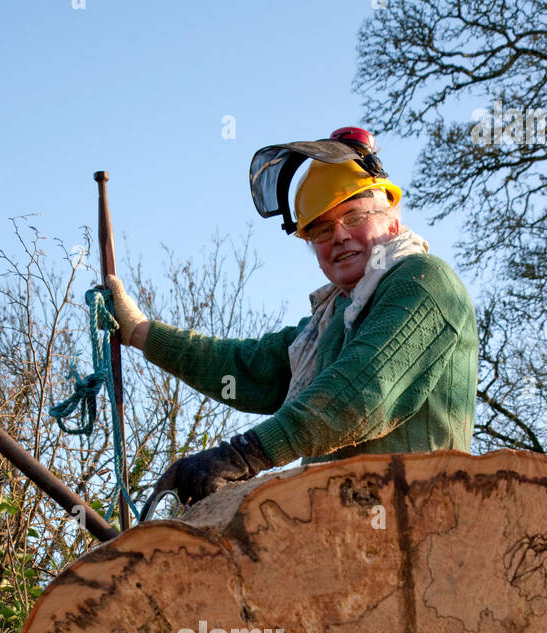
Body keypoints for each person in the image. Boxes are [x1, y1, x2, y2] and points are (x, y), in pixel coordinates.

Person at [106, 127, 478, 512]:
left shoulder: (423, 282)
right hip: (341, 541)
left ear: (392, 224)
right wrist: (140, 331)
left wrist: (243, 455)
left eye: (353, 216)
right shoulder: (331, 323)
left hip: (421, 534)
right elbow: (246, 368)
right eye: (320, 228)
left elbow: (356, 396)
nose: (339, 236)